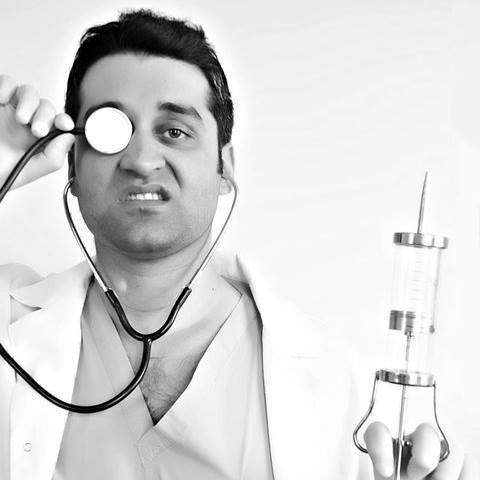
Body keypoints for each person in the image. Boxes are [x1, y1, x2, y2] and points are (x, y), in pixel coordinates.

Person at [0, 9, 476, 480]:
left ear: (224, 167)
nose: (142, 160)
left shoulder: (334, 381)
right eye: (110, 132)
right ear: (71, 165)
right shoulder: (9, 324)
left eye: (174, 132)